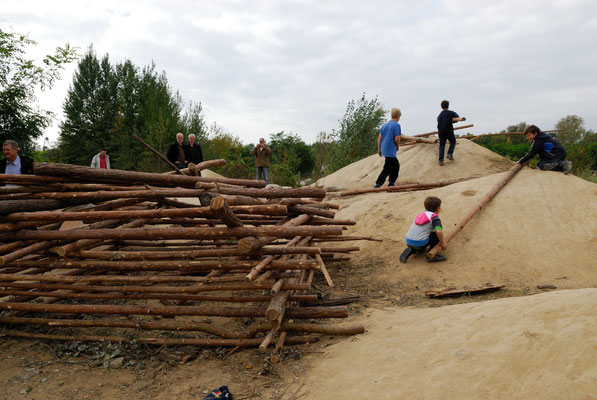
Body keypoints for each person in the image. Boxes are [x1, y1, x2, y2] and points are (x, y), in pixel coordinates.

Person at [400, 196, 448, 263]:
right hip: (420, 242)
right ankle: (431, 256)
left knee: (423, 235)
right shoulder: (435, 218)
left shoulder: (421, 214)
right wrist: (442, 242)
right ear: (438, 208)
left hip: (408, 241)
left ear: (425, 207)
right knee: (435, 235)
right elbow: (439, 231)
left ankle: (413, 249)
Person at [374, 108, 402, 188]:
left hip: (384, 148)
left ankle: (391, 182)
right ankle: (378, 184)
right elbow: (397, 138)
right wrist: (397, 146)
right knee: (387, 168)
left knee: (395, 165)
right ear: (398, 116)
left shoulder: (385, 125)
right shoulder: (396, 125)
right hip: (390, 149)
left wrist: (379, 149)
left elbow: (379, 137)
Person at [437, 100, 466, 166]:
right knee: (453, 142)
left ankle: (441, 161)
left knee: (442, 145)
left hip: (441, 132)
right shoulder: (450, 113)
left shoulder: (439, 115)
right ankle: (449, 153)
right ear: (448, 106)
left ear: (441, 106)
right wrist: (457, 120)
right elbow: (457, 118)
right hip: (448, 131)